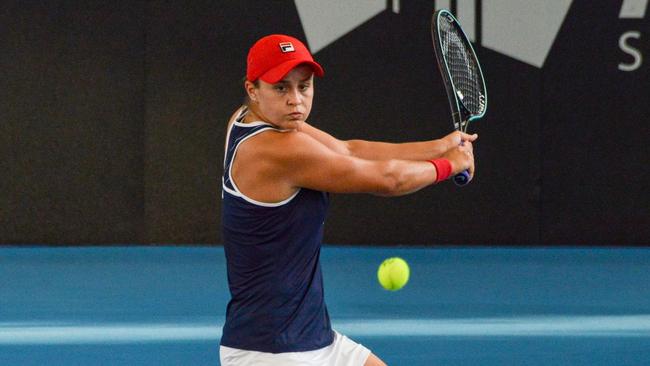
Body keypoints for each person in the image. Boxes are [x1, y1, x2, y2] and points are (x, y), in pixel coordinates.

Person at [220, 34, 477, 366]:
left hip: (312, 337)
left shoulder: (246, 117)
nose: (295, 100)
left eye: (304, 86)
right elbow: (389, 179)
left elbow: (348, 149)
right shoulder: (276, 149)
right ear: (253, 90)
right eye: (281, 88)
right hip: (273, 352)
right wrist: (449, 165)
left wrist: (440, 145)